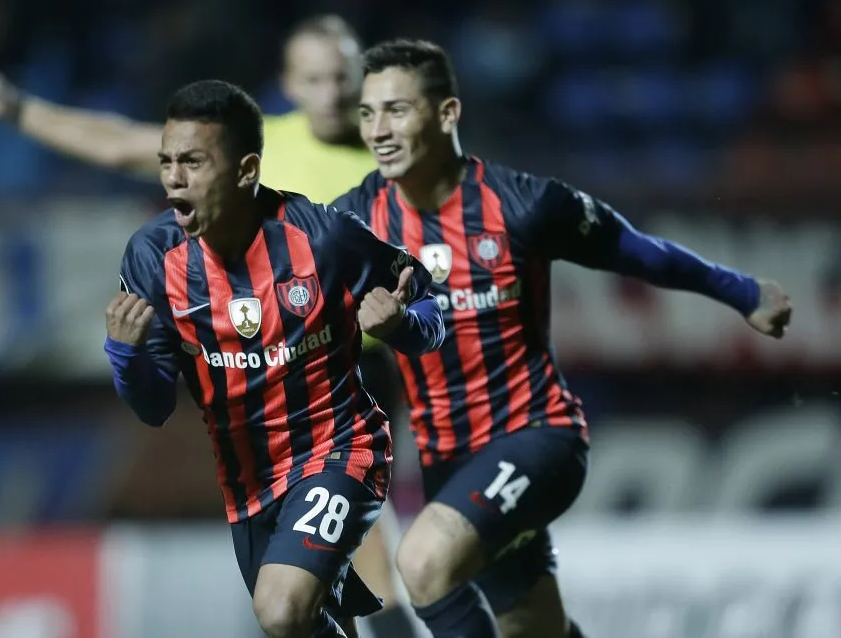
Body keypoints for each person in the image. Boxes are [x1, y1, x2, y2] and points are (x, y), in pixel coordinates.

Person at [0, 16, 418, 637]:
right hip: (256, 383)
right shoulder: (247, 151)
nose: (333, 91)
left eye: (343, 76)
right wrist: (17, 108)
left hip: (361, 364)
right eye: (315, 78)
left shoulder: (401, 153)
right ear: (289, 84)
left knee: (373, 552)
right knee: (307, 589)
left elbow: (447, 261)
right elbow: (117, 142)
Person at [327, 39, 792, 638]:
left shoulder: (523, 205)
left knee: (421, 562)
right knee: (532, 627)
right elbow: (278, 295)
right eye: (368, 114)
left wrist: (743, 293)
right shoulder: (355, 223)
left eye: (397, 110)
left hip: (538, 438)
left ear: (446, 114)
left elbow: (639, 253)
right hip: (449, 464)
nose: (379, 130)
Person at [102, 78, 444, 638]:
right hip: (249, 483)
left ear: (244, 170)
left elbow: (428, 302)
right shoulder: (153, 255)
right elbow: (154, 405)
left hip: (340, 450)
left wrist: (402, 323)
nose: (172, 178)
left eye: (193, 161)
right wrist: (126, 354)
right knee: (304, 624)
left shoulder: (324, 238)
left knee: (280, 608)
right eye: (166, 161)